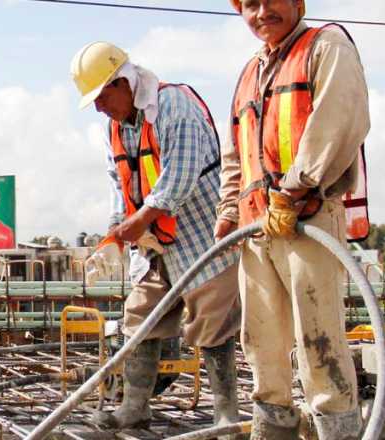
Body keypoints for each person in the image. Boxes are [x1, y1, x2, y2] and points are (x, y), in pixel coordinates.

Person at [71, 41, 241, 434]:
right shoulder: (116, 126)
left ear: (123, 82)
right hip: (155, 243)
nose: (99, 107)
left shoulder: (173, 107)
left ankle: (225, 415)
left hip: (202, 236)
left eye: (101, 96)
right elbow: (120, 182)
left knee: (212, 325)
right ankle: (134, 408)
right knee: (140, 318)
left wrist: (138, 220)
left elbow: (179, 178)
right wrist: (117, 230)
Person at [217, 1, 370, 438]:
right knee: (261, 343)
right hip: (256, 228)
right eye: (250, 4)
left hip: (308, 220)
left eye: (272, 0)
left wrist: (295, 188)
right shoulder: (249, 72)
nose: (262, 11)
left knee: (318, 341)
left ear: (298, 3)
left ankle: (335, 430)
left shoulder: (325, 46)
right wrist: (229, 210)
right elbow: (236, 153)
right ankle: (274, 429)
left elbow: (339, 119)